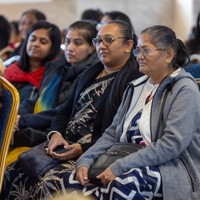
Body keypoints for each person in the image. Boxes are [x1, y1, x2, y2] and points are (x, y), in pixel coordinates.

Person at [1, 20, 143, 200]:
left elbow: (121, 130)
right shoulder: (90, 73)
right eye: (98, 41)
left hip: (95, 151)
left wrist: (82, 149)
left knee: (50, 182)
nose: (102, 46)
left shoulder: (135, 80)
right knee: (14, 171)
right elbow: (63, 112)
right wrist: (55, 135)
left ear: (128, 45)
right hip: (63, 145)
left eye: (109, 40)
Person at [58, 25, 200, 200]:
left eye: (146, 50)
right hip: (124, 157)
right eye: (138, 51)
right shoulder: (136, 86)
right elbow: (111, 133)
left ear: (168, 55)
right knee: (72, 181)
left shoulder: (184, 89)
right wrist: (85, 160)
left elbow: (171, 145)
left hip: (169, 166)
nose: (139, 57)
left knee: (120, 185)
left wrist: (120, 167)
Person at [11, 20, 99, 148]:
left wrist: (23, 121)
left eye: (78, 43)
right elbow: (36, 100)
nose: (70, 48)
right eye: (68, 41)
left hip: (57, 132)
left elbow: (64, 111)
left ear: (92, 47)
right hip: (35, 125)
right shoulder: (57, 67)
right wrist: (13, 115)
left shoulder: (91, 75)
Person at [3, 21, 61, 103]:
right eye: (32, 39)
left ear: (53, 47)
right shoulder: (12, 68)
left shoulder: (54, 76)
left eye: (43, 41)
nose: (35, 44)